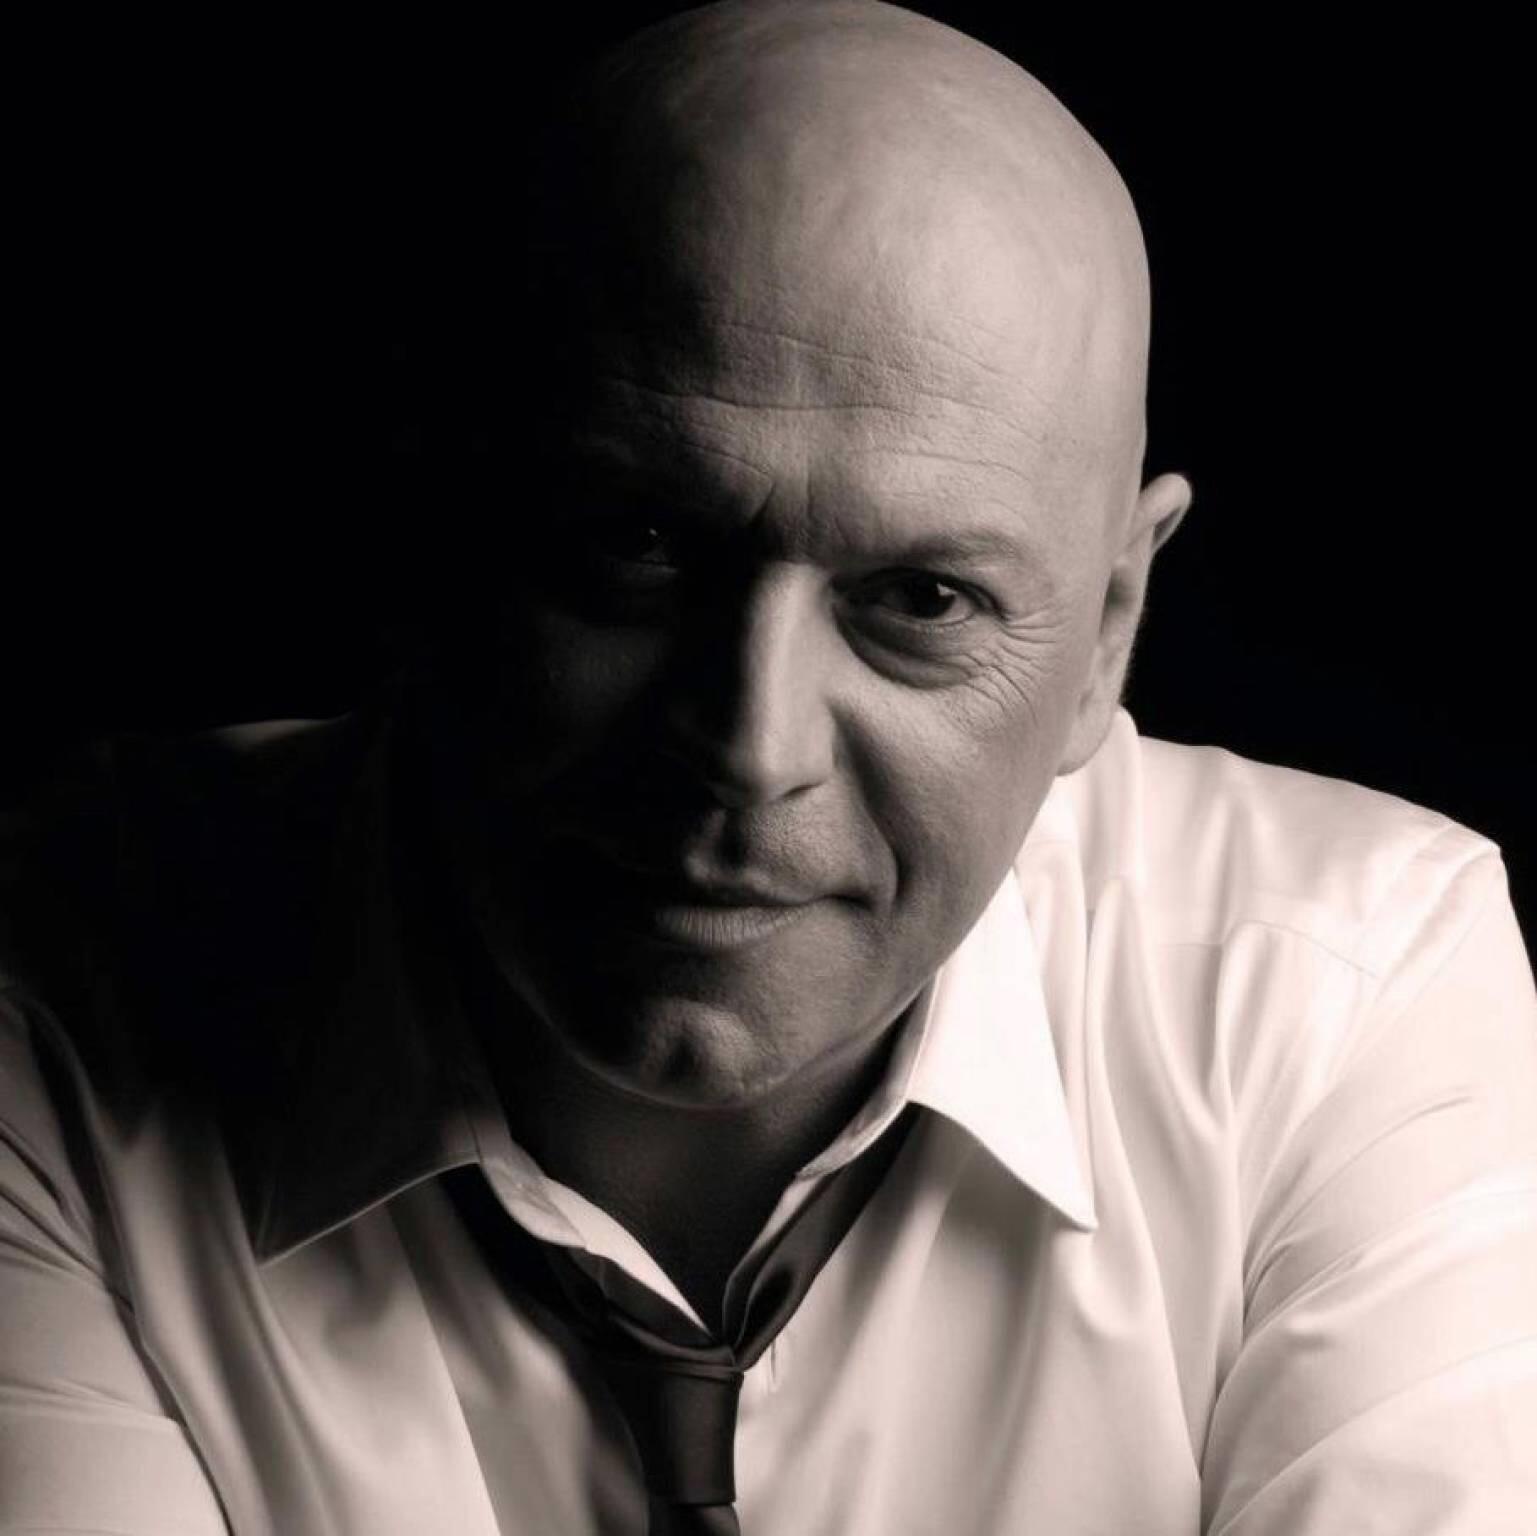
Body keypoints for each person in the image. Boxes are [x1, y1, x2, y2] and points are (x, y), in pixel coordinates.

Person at [3, 1, 1534, 1531]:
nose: (749, 749)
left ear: (1108, 631)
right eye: (635, 545)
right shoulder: (54, 988)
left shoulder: (1345, 997)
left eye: (920, 600)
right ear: (436, 518)